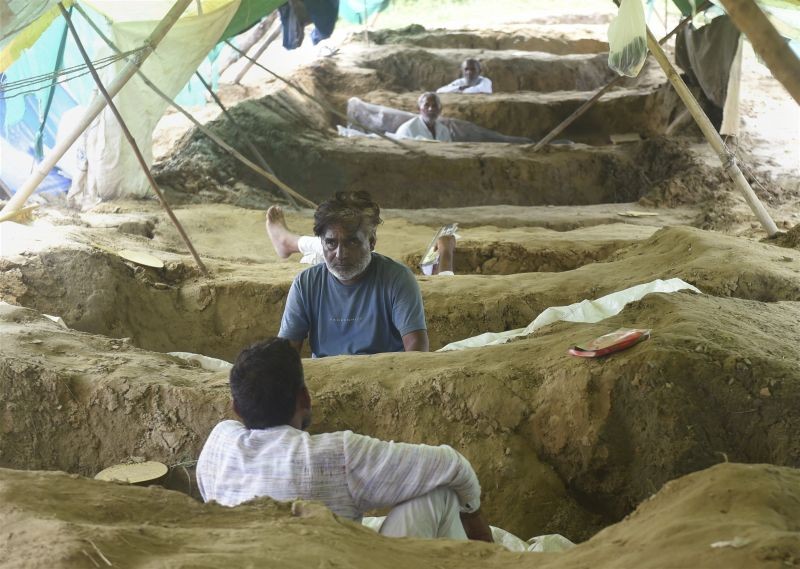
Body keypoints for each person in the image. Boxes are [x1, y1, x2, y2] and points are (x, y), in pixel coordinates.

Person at [196, 337, 494, 542]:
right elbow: (451, 465)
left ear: (236, 409)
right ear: (305, 397)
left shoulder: (220, 441)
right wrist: (481, 535)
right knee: (438, 493)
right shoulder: (335, 454)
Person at [276, 191, 429, 358]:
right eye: (331, 243)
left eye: (352, 242)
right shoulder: (305, 284)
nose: (340, 254)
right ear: (321, 242)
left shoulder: (397, 279)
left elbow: (417, 349)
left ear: (371, 242)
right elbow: (285, 353)